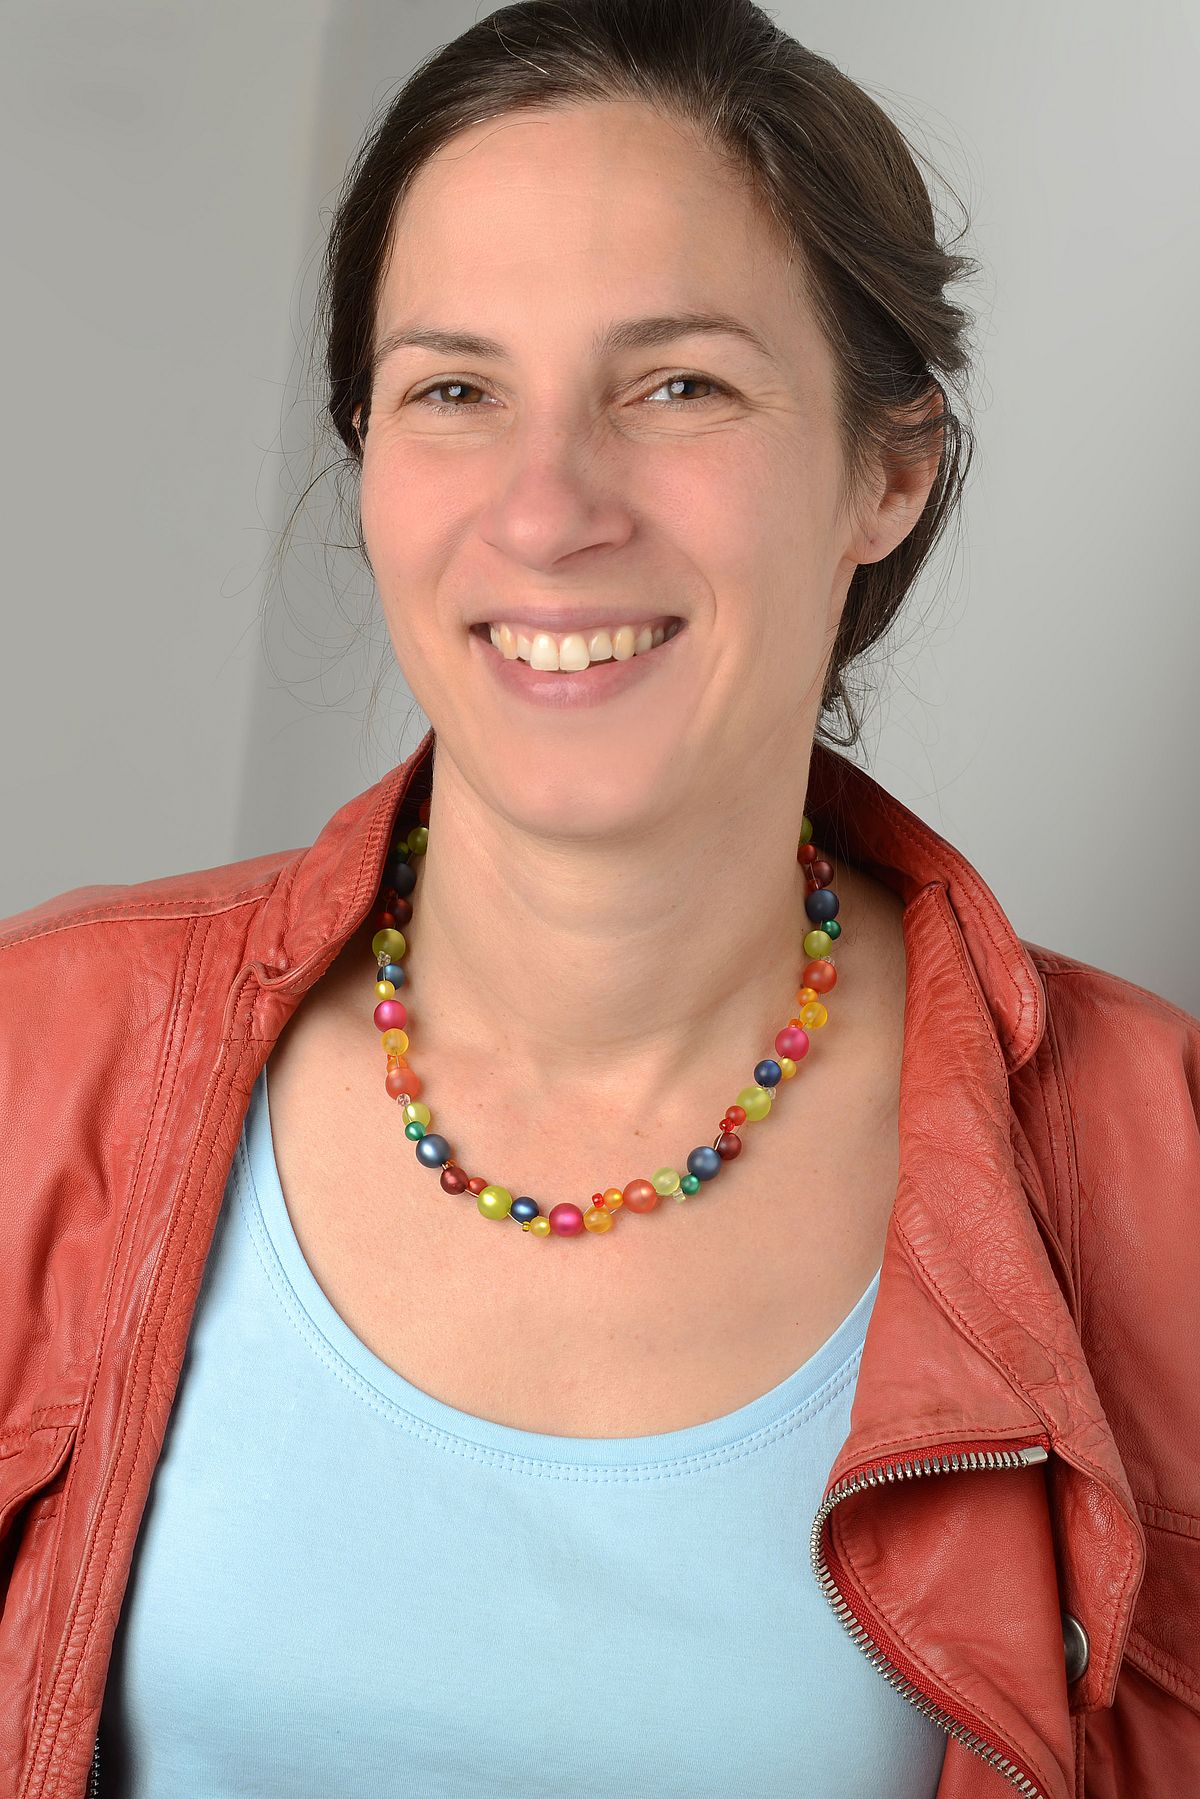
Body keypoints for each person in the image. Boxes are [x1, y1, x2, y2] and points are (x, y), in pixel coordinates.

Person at [1, 3, 1197, 1796]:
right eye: (455, 390)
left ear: (888, 470)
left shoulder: (1159, 1162)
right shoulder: (38, 1055)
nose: (548, 508)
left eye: (677, 385)